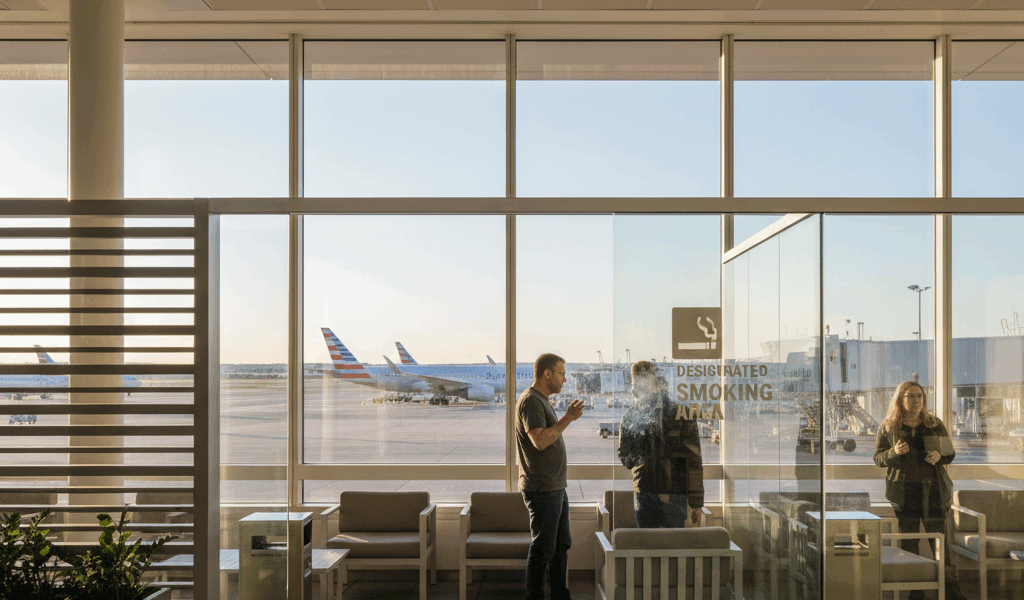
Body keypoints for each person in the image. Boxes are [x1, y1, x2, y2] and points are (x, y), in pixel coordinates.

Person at [873, 380, 966, 600]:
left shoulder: (934, 424)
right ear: (900, 399)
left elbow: (950, 454)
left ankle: (952, 591)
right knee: (909, 542)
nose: (917, 401)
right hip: (904, 494)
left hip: (934, 492)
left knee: (939, 542)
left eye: (920, 396)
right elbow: (878, 458)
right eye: (911, 396)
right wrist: (894, 452)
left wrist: (940, 457)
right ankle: (916, 592)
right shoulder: (889, 426)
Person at [515, 353, 585, 600]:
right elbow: (540, 441)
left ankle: (559, 594)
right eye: (561, 373)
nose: (565, 379)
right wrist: (568, 418)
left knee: (560, 545)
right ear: (547, 374)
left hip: (555, 487)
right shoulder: (531, 401)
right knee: (544, 548)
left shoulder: (542, 400)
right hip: (543, 488)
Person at [618, 360, 704, 528]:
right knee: (671, 548)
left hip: (649, 490)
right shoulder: (681, 413)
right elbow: (694, 462)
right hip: (665, 492)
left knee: (652, 548)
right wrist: (696, 503)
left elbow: (627, 459)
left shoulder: (631, 415)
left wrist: (696, 502)